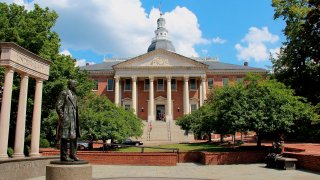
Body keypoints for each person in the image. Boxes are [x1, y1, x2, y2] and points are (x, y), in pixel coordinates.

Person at [56, 80, 81, 161]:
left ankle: (73, 155)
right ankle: (64, 156)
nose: (75, 86)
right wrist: (63, 117)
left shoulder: (75, 96)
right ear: (70, 85)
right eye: (74, 85)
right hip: (67, 119)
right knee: (64, 137)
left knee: (74, 137)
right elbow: (58, 106)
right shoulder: (64, 93)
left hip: (74, 119)